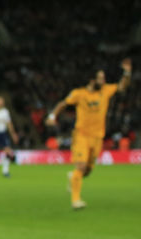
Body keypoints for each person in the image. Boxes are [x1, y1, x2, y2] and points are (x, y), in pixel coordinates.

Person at [45, 59, 132, 210]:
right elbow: (63, 103)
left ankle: (73, 177)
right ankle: (76, 200)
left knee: (87, 170)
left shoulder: (105, 90)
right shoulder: (79, 94)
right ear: (92, 80)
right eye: (100, 78)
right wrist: (53, 116)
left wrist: (127, 72)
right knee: (81, 165)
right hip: (81, 135)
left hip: (98, 137)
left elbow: (122, 87)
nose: (103, 80)